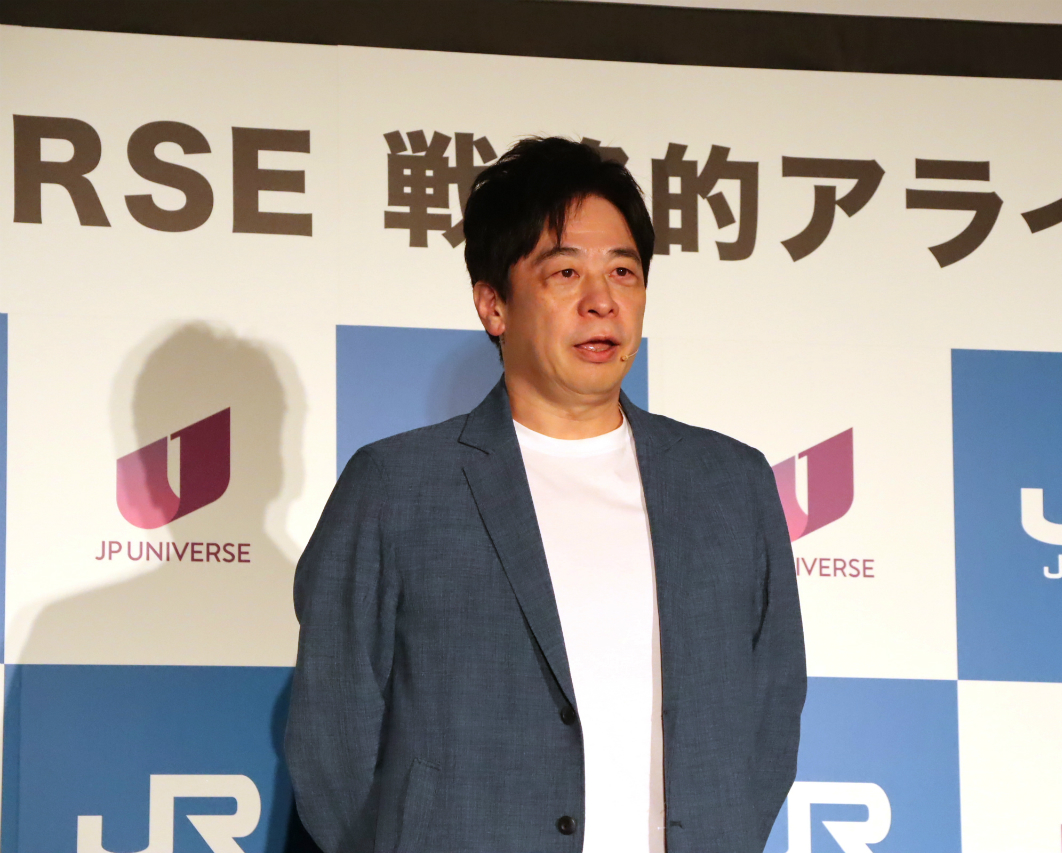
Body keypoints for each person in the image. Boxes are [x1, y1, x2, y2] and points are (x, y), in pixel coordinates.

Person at [285, 137, 806, 853]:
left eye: (623, 271)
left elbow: (770, 716)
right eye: (565, 272)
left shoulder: (730, 484)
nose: (602, 301)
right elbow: (332, 741)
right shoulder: (397, 487)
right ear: (493, 305)